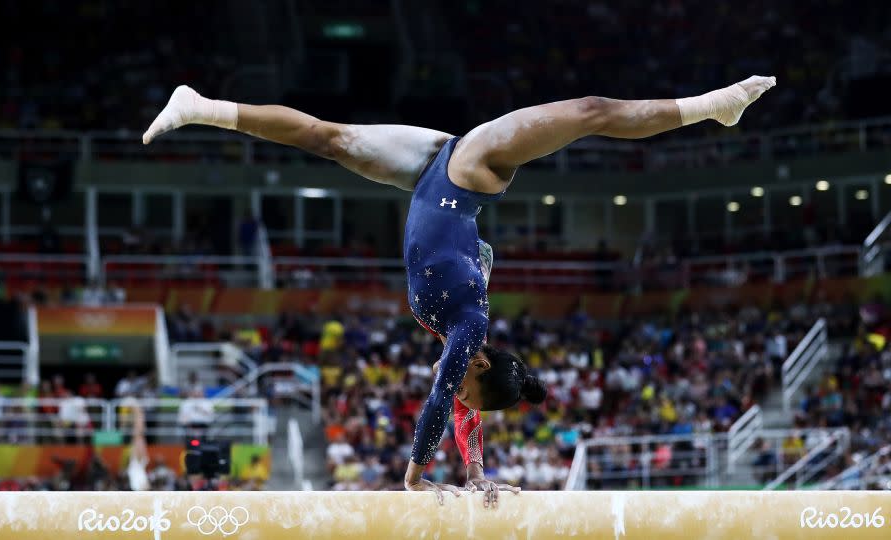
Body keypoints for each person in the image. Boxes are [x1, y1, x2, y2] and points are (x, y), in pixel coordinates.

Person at [143, 74, 776, 503]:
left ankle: (200, 106)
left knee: (325, 137)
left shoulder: (462, 337)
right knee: (590, 114)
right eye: (469, 384)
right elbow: (444, 400)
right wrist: (415, 477)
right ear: (479, 362)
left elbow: (464, 405)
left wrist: (474, 469)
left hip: (428, 170)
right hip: (471, 168)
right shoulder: (468, 328)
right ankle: (711, 106)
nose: (459, 395)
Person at [126, 402, 150, 491]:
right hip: (139, 470)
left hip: (138, 467)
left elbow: (138, 434)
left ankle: (138, 412)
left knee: (138, 437)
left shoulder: (136, 463)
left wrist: (137, 412)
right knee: (138, 437)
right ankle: (138, 412)